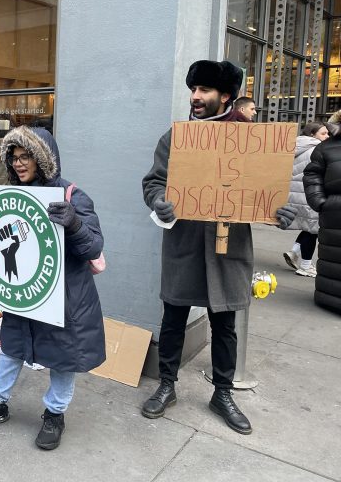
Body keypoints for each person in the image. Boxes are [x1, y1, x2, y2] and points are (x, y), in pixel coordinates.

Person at [141, 59, 296, 435]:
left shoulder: (251, 137)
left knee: (224, 323)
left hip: (230, 244)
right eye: (193, 90)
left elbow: (265, 188)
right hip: (186, 241)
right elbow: (153, 182)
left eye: (204, 91)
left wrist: (279, 210)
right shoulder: (176, 138)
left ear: (225, 95)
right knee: (174, 318)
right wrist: (159, 199)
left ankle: (222, 392)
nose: (195, 97)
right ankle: (167, 384)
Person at [0, 126, 105, 451]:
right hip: (26, 295)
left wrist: (74, 223)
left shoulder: (72, 196)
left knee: (63, 358)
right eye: (14, 157)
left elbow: (93, 246)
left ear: (43, 157)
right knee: (12, 348)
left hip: (66, 297)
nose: (18, 163)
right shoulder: (12, 196)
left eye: (26, 155)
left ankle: (55, 415)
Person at [302, 120, 341, 313]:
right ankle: (331, 300)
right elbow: (312, 175)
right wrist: (321, 202)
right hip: (335, 214)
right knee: (334, 257)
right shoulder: (326, 147)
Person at [283, 122, 329, 278]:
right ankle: (305, 266)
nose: (327, 136)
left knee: (308, 228)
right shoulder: (317, 150)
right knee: (312, 230)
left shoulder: (298, 147)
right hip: (311, 195)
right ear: (312, 135)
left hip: (298, 195)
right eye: (323, 133)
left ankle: (294, 251)